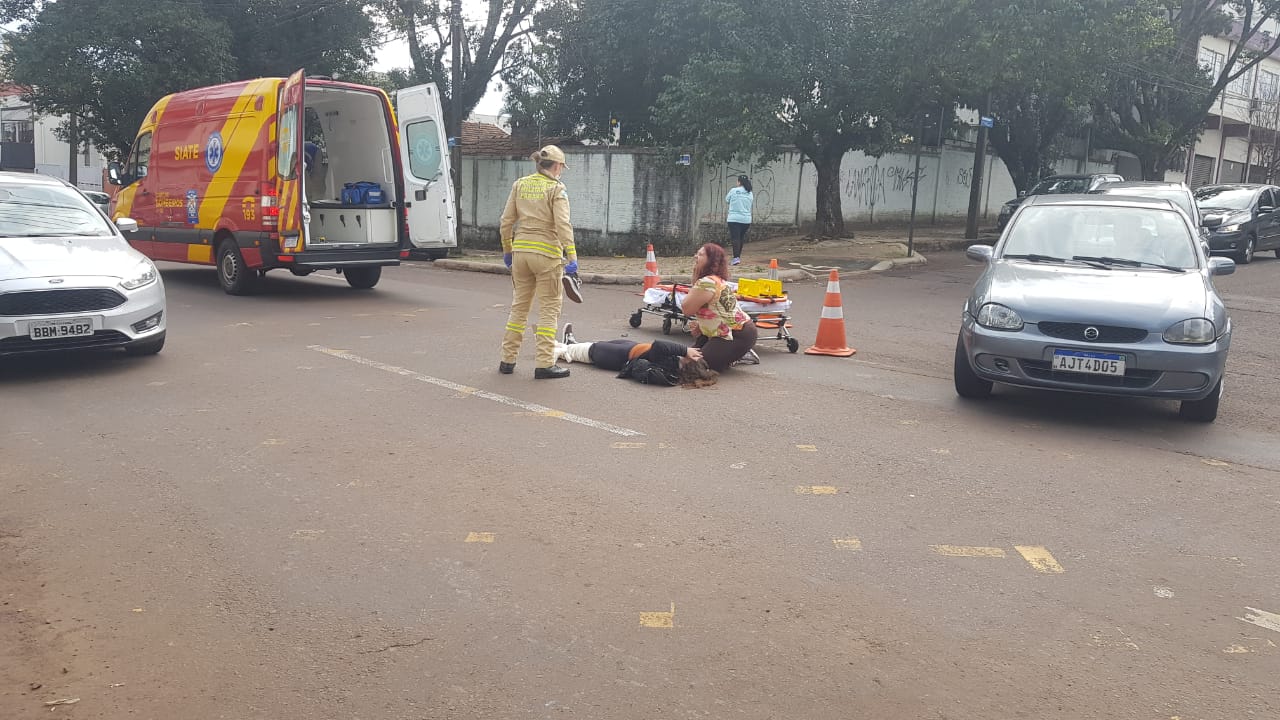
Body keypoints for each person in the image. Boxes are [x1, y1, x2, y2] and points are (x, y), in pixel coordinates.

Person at [498, 145, 579, 379]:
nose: (561, 171)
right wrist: (572, 255)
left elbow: (506, 221)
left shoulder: (520, 184)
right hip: (547, 257)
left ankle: (507, 359)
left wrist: (507, 250)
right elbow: (563, 224)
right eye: (561, 167)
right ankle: (544, 363)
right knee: (549, 309)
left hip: (520, 254)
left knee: (519, 308)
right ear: (556, 166)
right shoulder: (556, 188)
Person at [553, 324, 719, 387]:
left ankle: (550, 349)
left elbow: (659, 345)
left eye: (694, 355)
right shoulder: (677, 361)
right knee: (588, 346)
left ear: (690, 362)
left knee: (588, 351)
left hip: (618, 356)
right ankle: (569, 343)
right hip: (629, 347)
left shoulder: (670, 365)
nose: (693, 352)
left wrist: (684, 350)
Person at [680, 243, 758, 371]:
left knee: (692, 367)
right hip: (740, 331)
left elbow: (686, 309)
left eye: (700, 255)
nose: (695, 257)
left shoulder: (707, 282)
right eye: (697, 253)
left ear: (711, 261)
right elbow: (718, 309)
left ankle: (739, 354)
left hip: (736, 334)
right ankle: (733, 355)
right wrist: (701, 326)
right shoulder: (716, 279)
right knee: (688, 356)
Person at [725, 175, 753, 266]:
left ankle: (736, 258)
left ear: (739, 182)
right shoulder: (750, 193)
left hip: (734, 219)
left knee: (735, 238)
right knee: (740, 238)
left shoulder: (733, 190)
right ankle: (737, 257)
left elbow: (727, 200)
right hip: (746, 220)